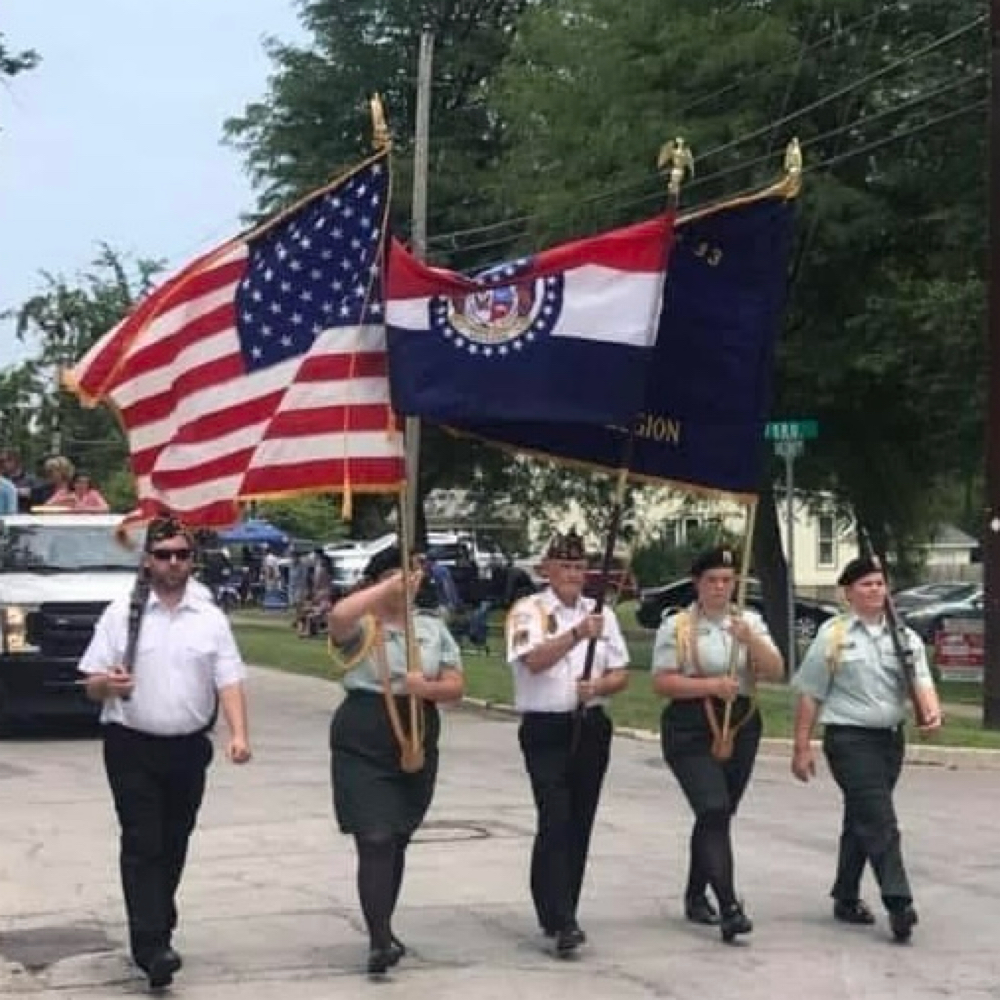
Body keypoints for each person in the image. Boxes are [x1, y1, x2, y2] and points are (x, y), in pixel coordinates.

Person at [77, 516, 252, 991]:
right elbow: (90, 683)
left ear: (192, 560)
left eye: (182, 554)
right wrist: (104, 685)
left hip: (188, 747)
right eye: (164, 555)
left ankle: (158, 924)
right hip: (131, 743)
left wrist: (239, 733)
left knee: (174, 842)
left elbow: (229, 679)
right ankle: (151, 946)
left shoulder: (210, 617)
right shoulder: (122, 614)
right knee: (142, 843)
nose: (174, 563)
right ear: (148, 561)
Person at [326, 546, 464, 977]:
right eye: (395, 576)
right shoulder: (362, 624)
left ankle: (382, 923)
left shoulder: (430, 627)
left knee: (398, 834)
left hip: (416, 730)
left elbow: (456, 684)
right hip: (365, 730)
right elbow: (337, 618)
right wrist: (386, 588)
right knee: (375, 837)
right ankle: (380, 940)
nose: (407, 583)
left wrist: (429, 687)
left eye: (413, 576)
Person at [790, 555, 943, 943]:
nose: (875, 590)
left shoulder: (904, 636)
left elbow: (921, 680)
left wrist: (931, 713)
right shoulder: (834, 635)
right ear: (848, 593)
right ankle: (899, 902)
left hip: (890, 740)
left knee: (862, 817)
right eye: (866, 585)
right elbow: (810, 694)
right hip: (849, 740)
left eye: (879, 584)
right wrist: (801, 746)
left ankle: (845, 895)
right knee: (880, 820)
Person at [505, 527, 630, 957]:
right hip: (545, 729)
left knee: (578, 822)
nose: (574, 574)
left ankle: (562, 909)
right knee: (555, 817)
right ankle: (561, 918)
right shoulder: (529, 611)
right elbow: (534, 660)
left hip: (590, 726)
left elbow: (621, 673)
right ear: (547, 569)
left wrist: (598, 687)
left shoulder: (603, 614)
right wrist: (578, 635)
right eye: (565, 566)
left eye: (579, 566)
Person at [650, 546, 784, 943]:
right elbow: (662, 682)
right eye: (713, 581)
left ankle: (695, 894)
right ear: (698, 584)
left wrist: (751, 642)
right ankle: (729, 906)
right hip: (691, 724)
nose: (721, 588)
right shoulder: (677, 626)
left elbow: (776, 670)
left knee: (718, 815)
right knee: (712, 805)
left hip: (740, 723)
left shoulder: (749, 621)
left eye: (728, 581)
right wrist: (710, 685)